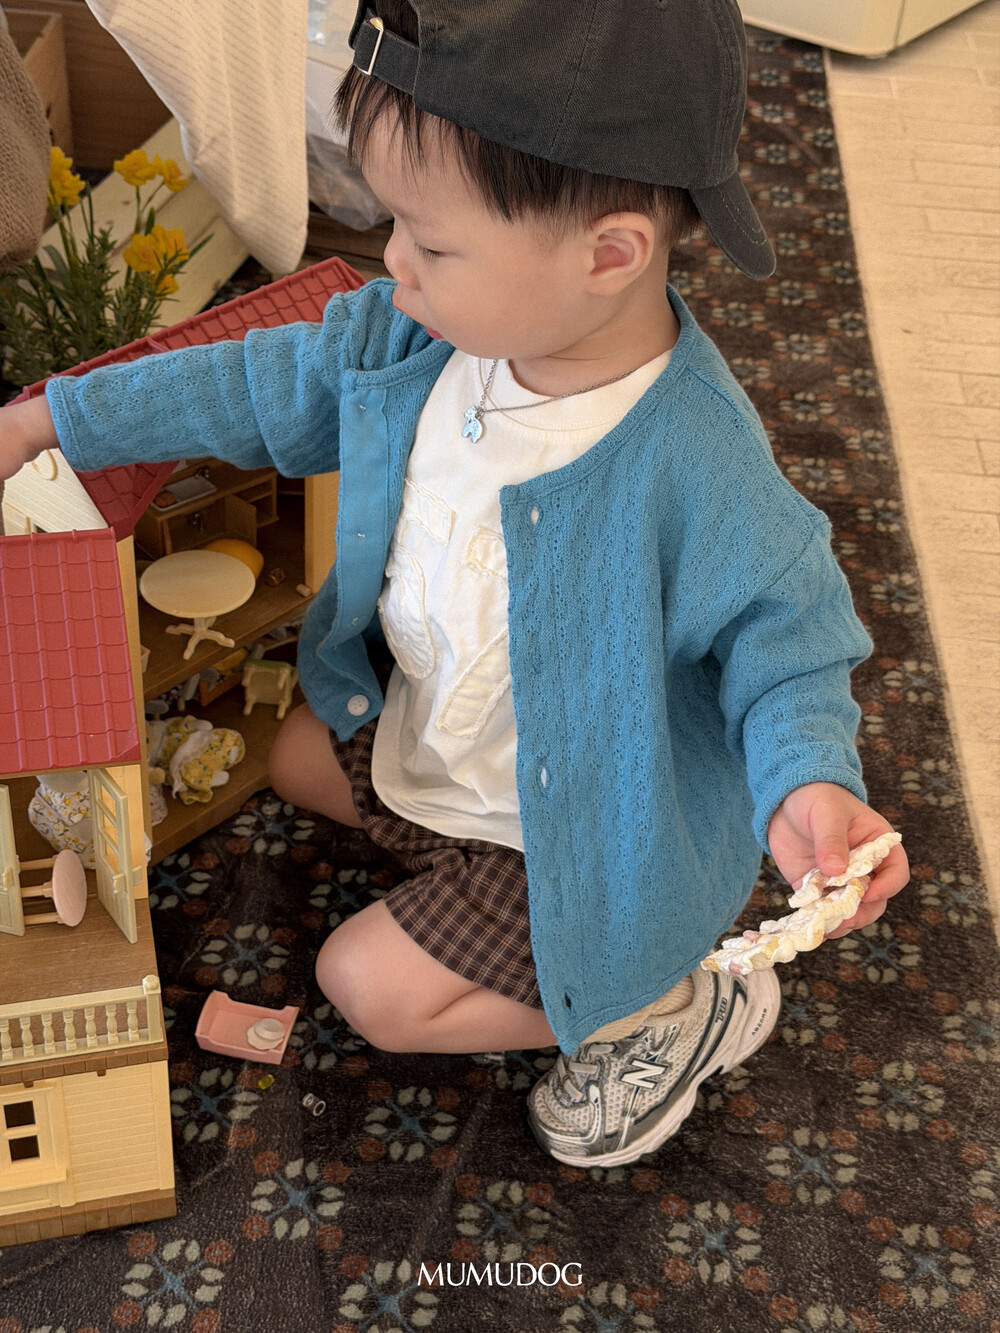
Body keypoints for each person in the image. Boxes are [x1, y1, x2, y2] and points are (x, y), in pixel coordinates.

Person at [0, 0, 908, 1167]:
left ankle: (667, 1003)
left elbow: (790, 643)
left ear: (609, 255)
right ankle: (466, 870)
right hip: (453, 746)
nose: (391, 262)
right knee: (292, 751)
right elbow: (252, 380)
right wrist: (52, 419)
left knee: (365, 985)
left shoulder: (696, 464)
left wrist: (807, 782)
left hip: (585, 837)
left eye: (430, 242)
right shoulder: (421, 337)